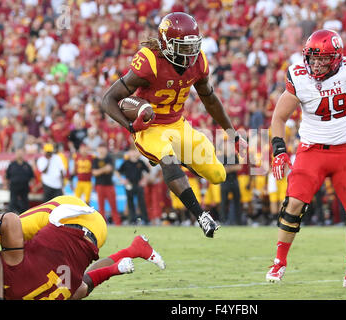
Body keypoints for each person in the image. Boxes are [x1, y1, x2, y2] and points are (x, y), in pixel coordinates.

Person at [101, 12, 246, 238]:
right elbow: (108, 99)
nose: (191, 54)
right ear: (167, 44)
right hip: (150, 127)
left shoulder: (198, 62)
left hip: (178, 125)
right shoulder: (149, 62)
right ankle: (201, 215)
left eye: (193, 46)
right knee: (167, 159)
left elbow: (210, 99)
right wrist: (130, 127)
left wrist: (233, 134)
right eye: (183, 47)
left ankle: (181, 161)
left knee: (219, 175)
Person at [266, 29, 346, 289]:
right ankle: (279, 262)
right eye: (312, 58)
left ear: (337, 58)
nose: (316, 64)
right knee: (293, 204)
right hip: (311, 151)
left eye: (323, 59)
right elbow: (279, 117)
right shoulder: (299, 76)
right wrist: (279, 149)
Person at [0, 195, 165, 300]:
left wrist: (113, 270)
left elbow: (82, 288)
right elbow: (10, 222)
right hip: (72, 217)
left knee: (72, 285)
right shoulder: (9, 272)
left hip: (98, 236)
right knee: (7, 228)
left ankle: (133, 250)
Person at [116, 148, 150, 225]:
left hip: (138, 184)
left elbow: (148, 171)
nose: (134, 153)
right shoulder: (126, 163)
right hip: (129, 185)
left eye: (135, 151)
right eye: (132, 151)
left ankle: (145, 220)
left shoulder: (140, 162)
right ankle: (132, 220)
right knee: (130, 202)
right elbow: (117, 172)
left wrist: (144, 180)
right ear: (129, 153)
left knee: (141, 203)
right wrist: (122, 180)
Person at [92, 143, 122, 225]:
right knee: (101, 207)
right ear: (97, 150)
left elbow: (109, 169)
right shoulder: (95, 160)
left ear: (106, 149)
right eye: (100, 148)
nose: (101, 150)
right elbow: (94, 173)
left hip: (109, 185)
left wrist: (100, 171)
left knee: (113, 206)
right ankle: (102, 225)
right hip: (99, 186)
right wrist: (104, 169)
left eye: (103, 148)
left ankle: (118, 223)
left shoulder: (109, 159)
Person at [5, 148, 34, 214]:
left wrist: (33, 186)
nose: (20, 155)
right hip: (14, 187)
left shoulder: (27, 165)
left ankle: (25, 216)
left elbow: (32, 177)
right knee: (12, 202)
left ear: (24, 154)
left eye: (21, 153)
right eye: (18, 153)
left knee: (25, 203)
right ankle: (11, 217)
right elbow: (7, 176)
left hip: (24, 187)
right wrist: (6, 185)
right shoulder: (12, 165)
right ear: (16, 154)